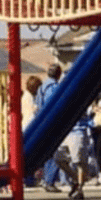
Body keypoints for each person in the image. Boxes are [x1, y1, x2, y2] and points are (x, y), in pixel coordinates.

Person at [35, 63, 70, 192]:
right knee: (55, 153)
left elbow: (38, 104)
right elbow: (53, 105)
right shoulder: (53, 87)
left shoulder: (42, 87)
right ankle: (49, 180)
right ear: (58, 74)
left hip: (42, 121)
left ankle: (47, 179)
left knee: (48, 154)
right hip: (51, 122)